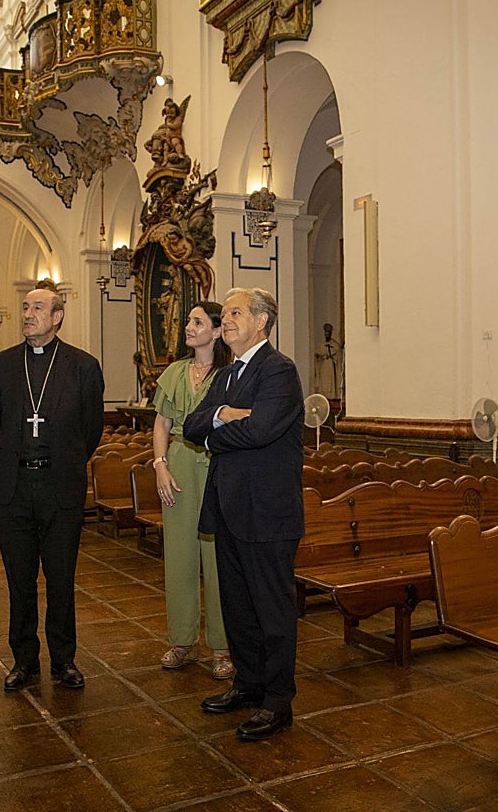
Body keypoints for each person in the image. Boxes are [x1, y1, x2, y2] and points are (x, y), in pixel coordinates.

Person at [183, 287, 304, 741]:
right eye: (226, 313)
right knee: (237, 607)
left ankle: (277, 701)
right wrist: (223, 414)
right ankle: (248, 684)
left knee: (272, 611)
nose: (226, 320)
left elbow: (260, 430)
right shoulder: (227, 374)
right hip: (229, 509)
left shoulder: (279, 370)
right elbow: (190, 424)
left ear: (261, 320)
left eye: (235, 312)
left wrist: (214, 433)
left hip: (268, 513)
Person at [0, 283, 104, 692]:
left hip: (60, 488)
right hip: (13, 488)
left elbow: (91, 430)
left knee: (60, 579)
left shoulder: (82, 366)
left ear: (57, 317)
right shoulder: (1, 365)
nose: (28, 314)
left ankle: (63, 660)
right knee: (19, 581)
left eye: (38, 307)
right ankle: (23, 660)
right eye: (25, 307)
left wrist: (65, 461)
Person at [152, 300, 233, 679]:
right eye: (188, 320)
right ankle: (182, 640)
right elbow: (162, 425)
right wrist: (160, 465)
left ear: (216, 331)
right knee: (179, 556)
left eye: (197, 322)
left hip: (218, 464)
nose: (188, 326)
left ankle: (223, 646)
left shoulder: (230, 375)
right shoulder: (174, 372)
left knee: (218, 559)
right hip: (180, 465)